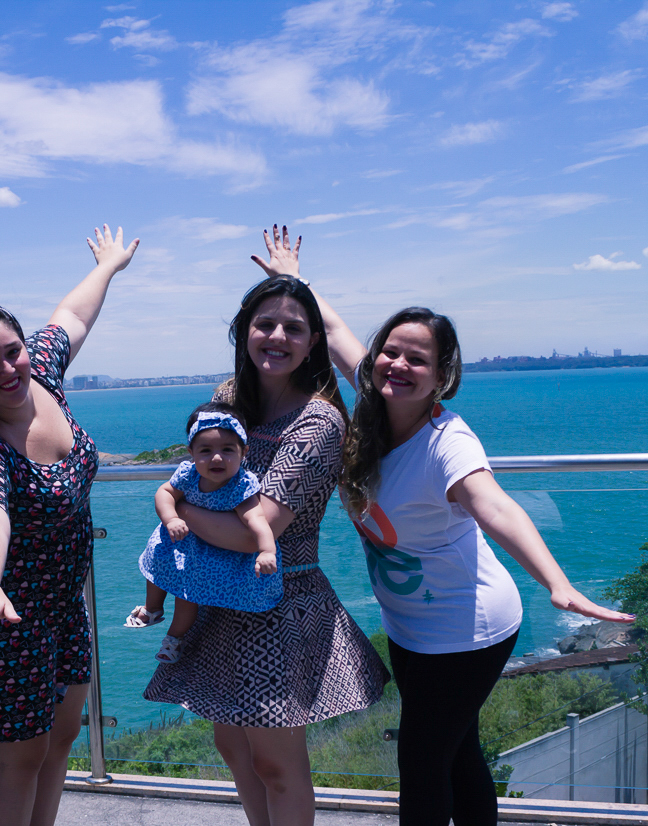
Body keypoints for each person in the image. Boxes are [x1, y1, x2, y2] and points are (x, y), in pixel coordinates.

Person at [257, 225, 635, 825]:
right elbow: (337, 331)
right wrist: (292, 280)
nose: (399, 364)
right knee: (456, 754)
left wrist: (557, 583)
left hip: (468, 627)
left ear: (442, 377)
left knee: (421, 762)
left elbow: (497, 508)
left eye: (418, 359)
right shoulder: (372, 404)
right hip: (410, 623)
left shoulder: (446, 443)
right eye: (391, 351)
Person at [143, 240, 390, 826]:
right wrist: (182, 503)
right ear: (244, 332)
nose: (277, 337)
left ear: (313, 342)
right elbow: (200, 474)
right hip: (216, 598)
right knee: (233, 748)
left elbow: (257, 530)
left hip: (277, 600)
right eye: (265, 325)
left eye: (293, 328)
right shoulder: (229, 401)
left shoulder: (318, 421)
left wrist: (175, 511)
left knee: (277, 762)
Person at [0, 225, 138, 826]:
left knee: (61, 740)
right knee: (20, 759)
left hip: (63, 607)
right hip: (5, 617)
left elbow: (72, 317)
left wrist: (108, 266)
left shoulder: (42, 376)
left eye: (12, 350)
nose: (8, 368)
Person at [126, 402, 282, 663]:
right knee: (157, 561)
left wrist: (267, 550)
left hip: (208, 554)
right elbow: (165, 493)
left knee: (187, 595)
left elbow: (257, 519)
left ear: (244, 452)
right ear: (191, 453)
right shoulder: (188, 474)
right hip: (180, 538)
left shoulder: (240, 486)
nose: (216, 458)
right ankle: (152, 607)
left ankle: (174, 638)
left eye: (227, 450)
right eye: (206, 450)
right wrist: (171, 518)